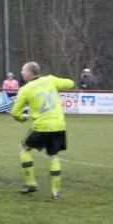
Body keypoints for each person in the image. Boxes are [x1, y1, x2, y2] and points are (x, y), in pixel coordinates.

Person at [10, 62, 75, 200]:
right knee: (53, 156)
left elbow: (15, 113)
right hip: (58, 125)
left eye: (23, 70)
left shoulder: (25, 89)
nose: (21, 73)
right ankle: (55, 192)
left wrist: (23, 118)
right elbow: (70, 83)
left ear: (29, 73)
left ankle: (31, 183)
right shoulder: (50, 80)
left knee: (24, 149)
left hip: (41, 126)